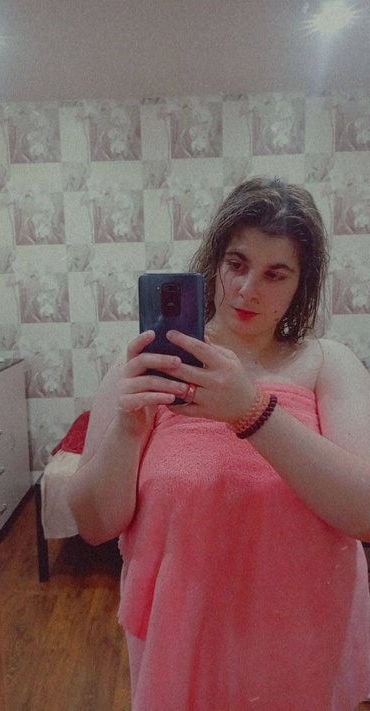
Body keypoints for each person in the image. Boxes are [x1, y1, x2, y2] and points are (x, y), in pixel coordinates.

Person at [67, 177, 370, 711]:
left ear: (302, 284)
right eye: (237, 263)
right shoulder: (148, 364)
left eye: (276, 274)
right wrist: (129, 430)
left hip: (300, 644)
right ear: (214, 263)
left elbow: (364, 512)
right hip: (179, 645)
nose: (248, 289)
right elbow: (93, 523)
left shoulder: (329, 363)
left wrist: (251, 411)